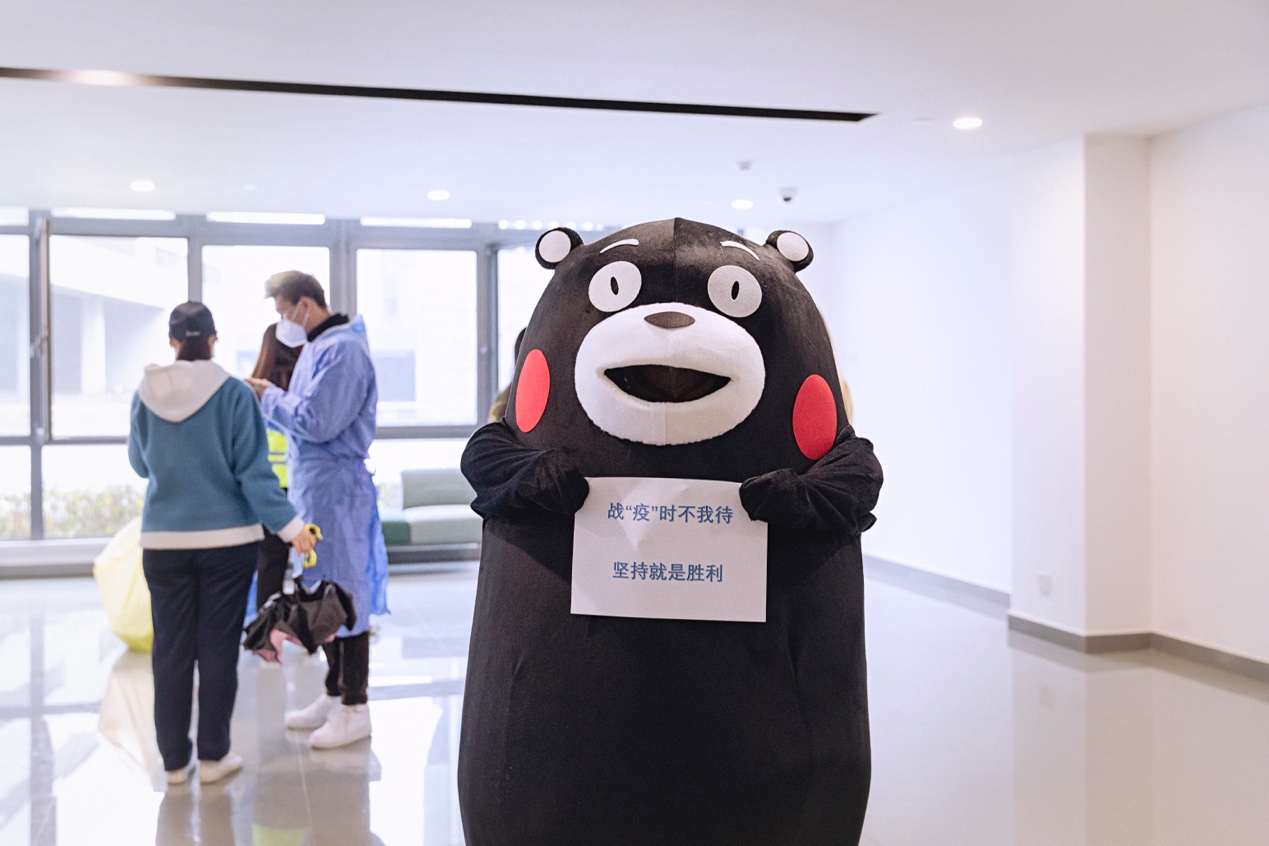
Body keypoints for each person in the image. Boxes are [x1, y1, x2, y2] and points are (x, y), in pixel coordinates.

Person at [128, 302, 315, 786]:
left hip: (163, 542)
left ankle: (174, 763)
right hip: (227, 543)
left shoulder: (145, 393)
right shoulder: (234, 393)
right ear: (213, 340)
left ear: (172, 342)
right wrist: (292, 528)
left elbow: (140, 465)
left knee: (170, 651)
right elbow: (254, 474)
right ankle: (213, 757)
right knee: (216, 648)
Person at [246, 270, 388, 749]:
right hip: (315, 490)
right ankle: (333, 693)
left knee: (344, 596)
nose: (283, 322)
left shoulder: (344, 350)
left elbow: (318, 421)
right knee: (318, 594)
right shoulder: (318, 347)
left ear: (304, 305)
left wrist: (268, 395)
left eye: (284, 312)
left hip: (337, 492)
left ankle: (355, 706)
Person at [249, 322, 303, 610]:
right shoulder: (301, 391)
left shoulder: (254, 392)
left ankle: (265, 626)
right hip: (300, 486)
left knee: (270, 564)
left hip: (266, 490)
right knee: (308, 563)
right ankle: (309, 627)